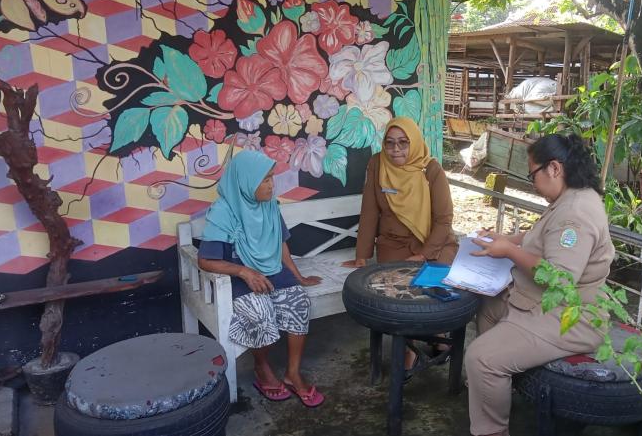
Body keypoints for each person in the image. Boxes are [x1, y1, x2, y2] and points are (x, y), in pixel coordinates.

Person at [464, 133, 615, 436]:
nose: (532, 182)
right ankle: (493, 388)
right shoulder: (570, 197)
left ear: (554, 168)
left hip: (570, 316)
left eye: (532, 174)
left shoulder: (575, 213)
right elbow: (542, 237)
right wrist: (506, 240)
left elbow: (560, 278)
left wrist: (509, 252)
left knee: (480, 358)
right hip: (542, 301)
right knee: (488, 306)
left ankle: (492, 427)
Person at [198, 150, 325, 408]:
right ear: (246, 182)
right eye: (265, 180)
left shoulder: (269, 205)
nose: (271, 185)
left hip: (272, 269)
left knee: (299, 302)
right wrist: (244, 272)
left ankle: (292, 373)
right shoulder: (224, 211)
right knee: (262, 311)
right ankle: (261, 366)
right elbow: (205, 260)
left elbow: (281, 243)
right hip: (237, 276)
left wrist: (298, 277)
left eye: (271, 178)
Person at [342, 116, 459, 371]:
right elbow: (370, 211)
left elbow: (444, 220)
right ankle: (409, 348)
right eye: (390, 143)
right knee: (398, 292)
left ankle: (439, 335)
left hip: (434, 242)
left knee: (433, 289)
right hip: (393, 243)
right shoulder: (377, 164)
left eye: (403, 143)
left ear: (414, 142)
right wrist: (362, 255)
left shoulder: (431, 170)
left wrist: (424, 254)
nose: (396, 150)